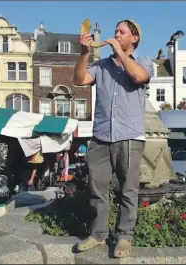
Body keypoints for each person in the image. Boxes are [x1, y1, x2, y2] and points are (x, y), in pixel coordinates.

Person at [73, 19, 153, 258]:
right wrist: (84, 53)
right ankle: (98, 234)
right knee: (97, 189)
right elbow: (79, 80)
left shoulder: (144, 62)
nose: (116, 34)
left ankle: (124, 237)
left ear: (134, 38)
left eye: (122, 32)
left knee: (128, 191)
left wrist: (120, 53)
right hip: (100, 136)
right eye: (115, 31)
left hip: (129, 136)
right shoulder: (102, 65)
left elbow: (139, 78)